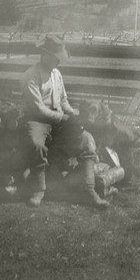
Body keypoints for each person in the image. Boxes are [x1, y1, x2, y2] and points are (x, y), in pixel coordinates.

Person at [21, 34, 109, 209]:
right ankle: (39, 189)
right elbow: (39, 109)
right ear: (44, 55)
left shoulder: (57, 74)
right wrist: (64, 117)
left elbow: (63, 100)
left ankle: (88, 190)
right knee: (36, 143)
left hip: (60, 120)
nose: (58, 62)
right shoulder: (30, 75)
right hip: (38, 121)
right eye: (56, 58)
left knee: (87, 139)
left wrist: (73, 113)